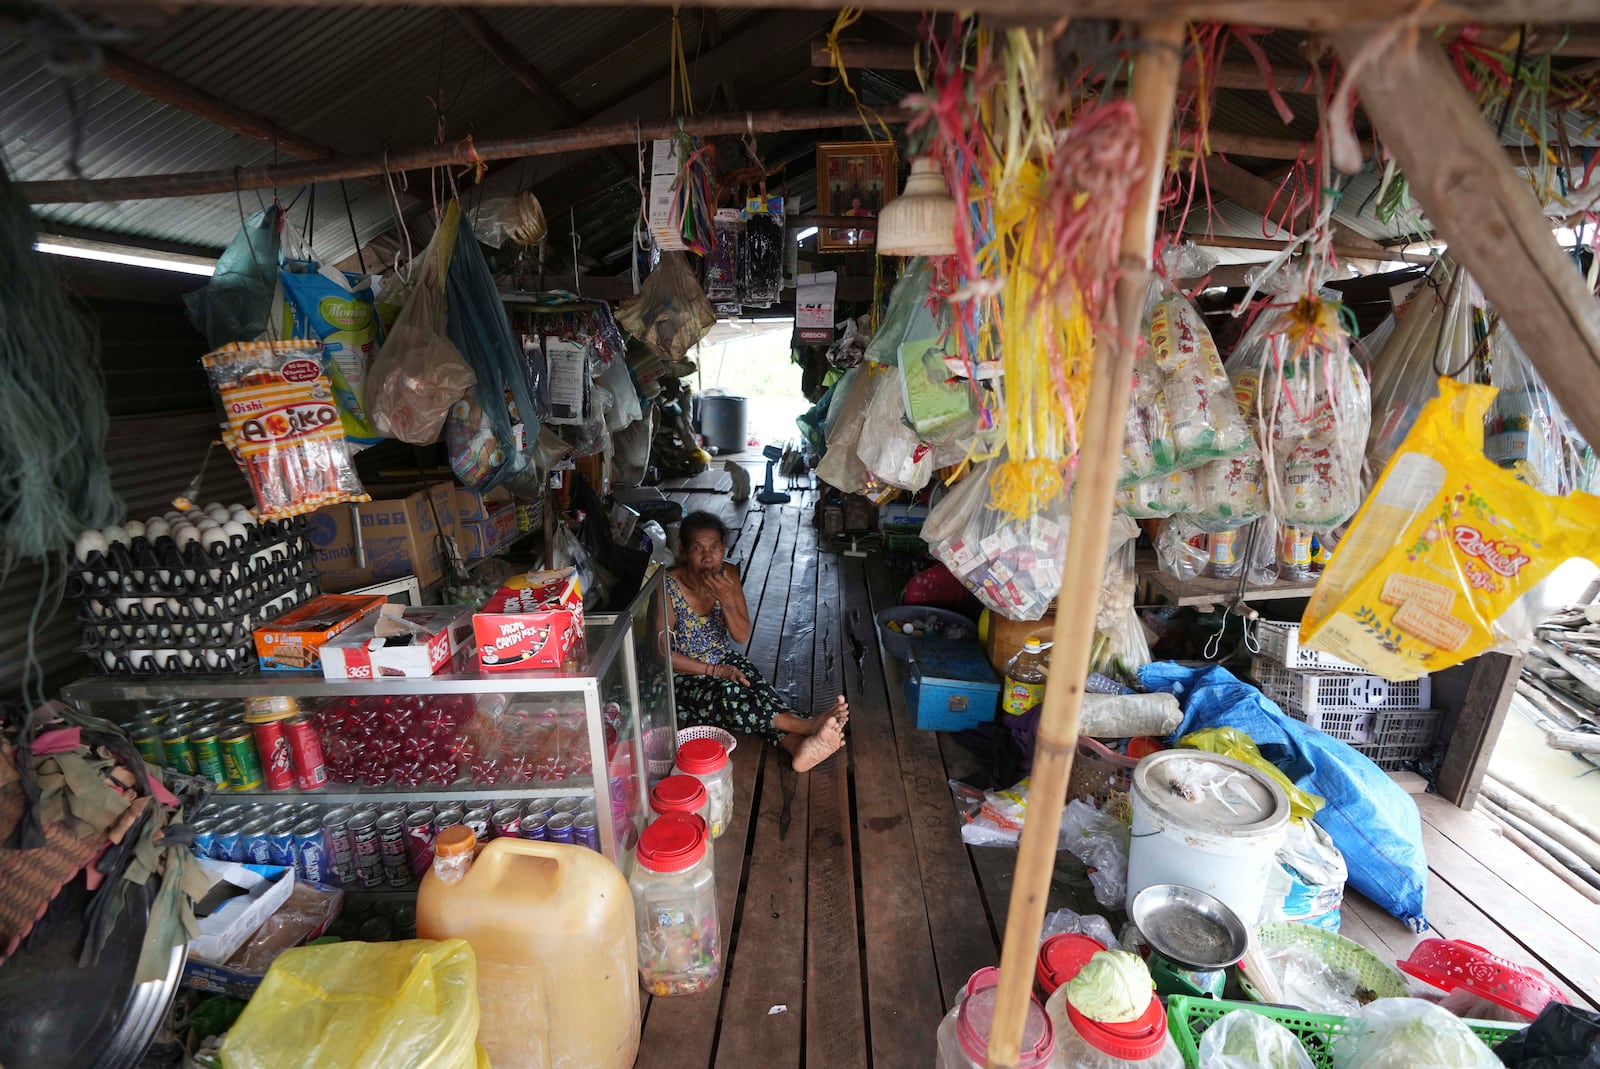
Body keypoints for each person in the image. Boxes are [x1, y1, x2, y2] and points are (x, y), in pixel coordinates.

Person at [663, 511, 847, 771]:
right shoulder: (667, 586)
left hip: (723, 660)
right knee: (730, 693)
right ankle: (806, 725)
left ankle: (796, 746)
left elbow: (741, 635)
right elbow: (662, 655)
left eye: (714, 547)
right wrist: (715, 671)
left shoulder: (728, 575)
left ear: (723, 549)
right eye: (697, 548)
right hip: (680, 678)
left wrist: (726, 599)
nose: (707, 556)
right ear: (683, 552)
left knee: (756, 687)